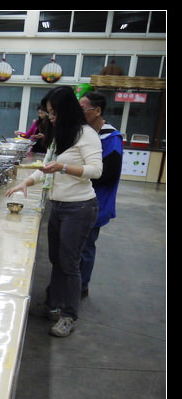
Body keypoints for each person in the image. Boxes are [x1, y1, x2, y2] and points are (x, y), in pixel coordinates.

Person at [5, 85, 103, 338]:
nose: (50, 117)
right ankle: (52, 304)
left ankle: (68, 315)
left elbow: (95, 170)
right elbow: (47, 166)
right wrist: (26, 182)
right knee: (57, 260)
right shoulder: (62, 134)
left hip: (79, 207)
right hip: (58, 205)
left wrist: (63, 167)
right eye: (49, 112)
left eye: (54, 112)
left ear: (67, 110)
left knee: (70, 263)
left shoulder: (86, 134)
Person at [79, 91, 123, 299]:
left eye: (83, 109)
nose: (79, 113)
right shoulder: (86, 132)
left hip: (97, 201)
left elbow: (107, 174)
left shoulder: (111, 138)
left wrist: (76, 173)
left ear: (97, 111)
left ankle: (81, 287)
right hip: (80, 198)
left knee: (86, 246)